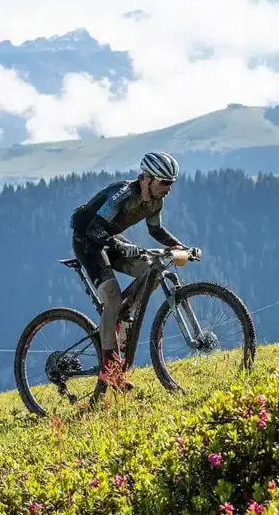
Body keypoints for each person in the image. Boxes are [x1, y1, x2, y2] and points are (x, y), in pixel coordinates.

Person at [69, 151, 199, 391]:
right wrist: (120, 246)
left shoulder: (156, 200)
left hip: (110, 238)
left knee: (150, 269)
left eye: (172, 182)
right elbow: (95, 230)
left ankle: (122, 315)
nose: (169, 188)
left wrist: (181, 247)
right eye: (165, 182)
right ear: (147, 178)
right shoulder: (122, 194)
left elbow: (156, 230)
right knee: (112, 298)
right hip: (87, 241)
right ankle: (110, 369)